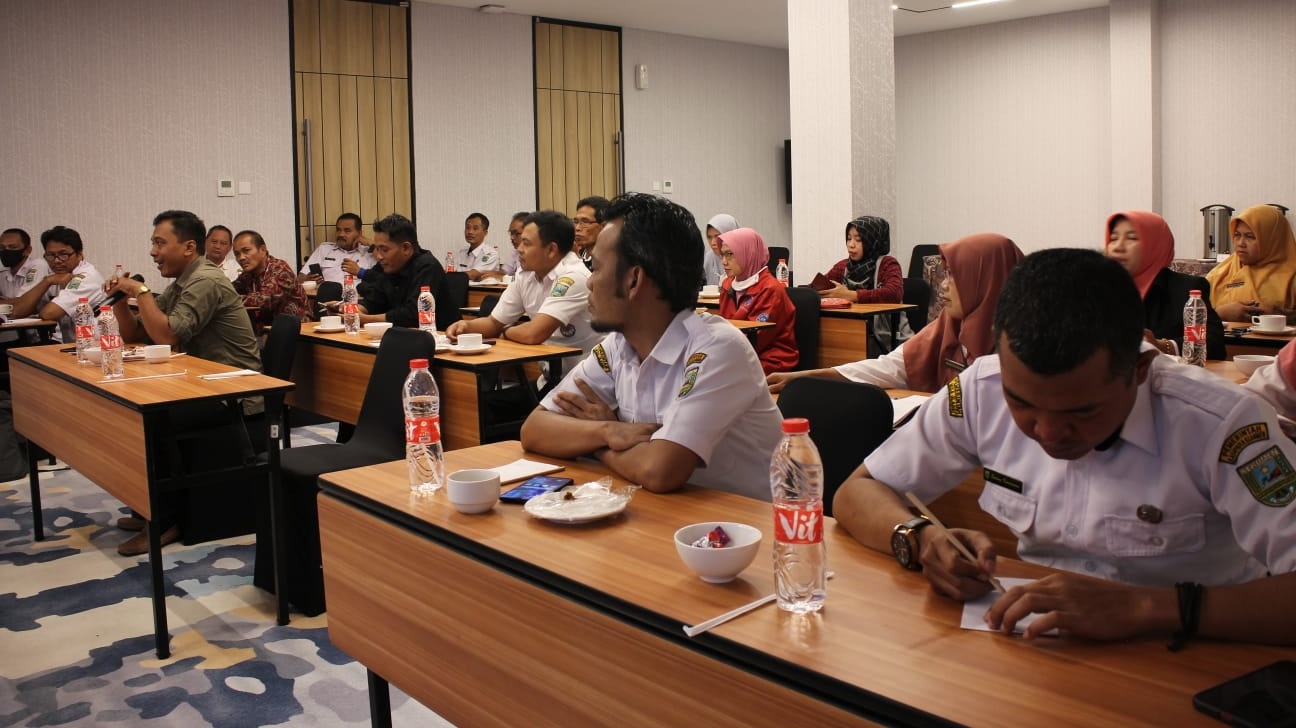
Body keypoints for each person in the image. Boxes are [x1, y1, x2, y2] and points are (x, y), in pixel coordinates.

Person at [832, 248, 1296, 646]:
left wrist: (1145, 607)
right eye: (1022, 404)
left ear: (1138, 370)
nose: (1049, 433)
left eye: (1082, 412)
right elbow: (856, 492)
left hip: (1195, 658)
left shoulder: (1223, 425)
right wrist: (921, 537)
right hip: (1033, 652)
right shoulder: (980, 390)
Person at [520, 193, 783, 500]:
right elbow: (534, 430)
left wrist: (598, 441)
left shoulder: (717, 349)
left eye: (598, 268)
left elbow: (659, 471)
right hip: (669, 513)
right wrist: (609, 431)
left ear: (634, 280)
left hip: (752, 524)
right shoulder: (618, 345)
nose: (589, 282)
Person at [101, 210, 263, 556]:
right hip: (200, 382)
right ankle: (149, 508)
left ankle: (167, 519)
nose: (153, 252)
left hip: (233, 390)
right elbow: (139, 334)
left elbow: (168, 335)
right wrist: (121, 304)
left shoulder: (205, 280)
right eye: (153, 243)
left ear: (189, 247)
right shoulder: (182, 282)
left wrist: (141, 290)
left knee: (150, 417)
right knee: (128, 410)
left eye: (160, 243)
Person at [768, 233, 1022, 394]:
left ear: (986, 281)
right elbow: (888, 367)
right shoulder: (948, 326)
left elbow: (891, 292)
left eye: (955, 276)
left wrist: (855, 295)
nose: (943, 285)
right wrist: (808, 377)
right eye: (945, 275)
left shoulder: (1022, 347)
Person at [445, 210, 601, 382]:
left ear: (551, 249)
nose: (519, 249)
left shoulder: (573, 276)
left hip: (588, 381)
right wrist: (466, 326)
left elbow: (533, 333)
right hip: (551, 378)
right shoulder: (526, 273)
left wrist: (504, 331)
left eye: (526, 243)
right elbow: (493, 323)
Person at [1104, 210, 1225, 359]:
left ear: (1155, 245)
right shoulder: (1100, 289)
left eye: (1132, 238)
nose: (1118, 247)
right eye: (1113, 238)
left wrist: (1164, 346)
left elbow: (1213, 343)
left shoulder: (1185, 289)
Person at [819, 215, 911, 347]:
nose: (851, 245)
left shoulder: (887, 264)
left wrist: (850, 295)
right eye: (849, 239)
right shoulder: (843, 266)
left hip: (886, 340)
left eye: (858, 240)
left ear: (872, 241)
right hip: (849, 335)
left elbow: (893, 293)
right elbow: (821, 286)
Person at [716, 227, 798, 374]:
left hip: (770, 361)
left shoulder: (770, 289)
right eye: (722, 255)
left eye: (730, 254)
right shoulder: (728, 285)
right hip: (738, 356)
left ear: (749, 253)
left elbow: (755, 339)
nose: (724, 262)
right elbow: (722, 327)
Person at [358, 213, 460, 331]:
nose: (379, 256)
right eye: (377, 249)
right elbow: (375, 300)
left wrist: (366, 319)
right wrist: (356, 311)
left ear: (406, 248)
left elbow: (413, 314)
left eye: (384, 250)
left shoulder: (428, 267)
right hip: (401, 334)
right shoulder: (387, 265)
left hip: (440, 335)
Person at [8, 226, 106, 342]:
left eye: (63, 254)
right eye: (50, 255)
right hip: (73, 344)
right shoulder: (54, 276)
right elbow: (18, 311)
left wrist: (49, 281)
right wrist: (47, 281)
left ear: (79, 255)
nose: (56, 261)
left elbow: (49, 313)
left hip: (96, 345)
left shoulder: (86, 277)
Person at [1205, 204, 1296, 323]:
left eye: (1250, 236)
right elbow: (1191, 316)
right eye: (1237, 235)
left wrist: (1281, 316)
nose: (1240, 243)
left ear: (1272, 240)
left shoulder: (1292, 276)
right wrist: (1220, 313)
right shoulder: (1219, 274)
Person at [231, 230, 310, 329]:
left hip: (296, 330)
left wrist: (227, 299)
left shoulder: (280, 269)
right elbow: (228, 290)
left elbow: (264, 300)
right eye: (237, 254)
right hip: (266, 329)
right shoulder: (248, 274)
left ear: (263, 250)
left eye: (246, 250)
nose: (241, 257)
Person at [1, 227, 50, 347]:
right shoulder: (3, 274)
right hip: (16, 335)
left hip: (44, 336)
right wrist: (15, 302)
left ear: (27, 250)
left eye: (12, 247)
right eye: (1, 248)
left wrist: (12, 303)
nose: (5, 251)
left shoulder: (37, 266)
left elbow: (21, 309)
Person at [299, 212, 376, 286]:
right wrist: (308, 279)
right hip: (327, 294)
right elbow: (300, 279)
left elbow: (381, 280)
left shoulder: (371, 252)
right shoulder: (324, 249)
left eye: (347, 231)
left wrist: (372, 244)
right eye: (338, 230)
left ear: (359, 233)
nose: (341, 234)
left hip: (358, 295)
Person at [449, 212, 501, 281]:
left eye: (475, 228)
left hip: (479, 288)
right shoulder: (461, 252)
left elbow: (473, 275)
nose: (470, 232)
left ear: (485, 233)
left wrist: (447, 276)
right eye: (467, 228)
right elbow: (451, 271)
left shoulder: (491, 254)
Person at [572, 195, 609, 269]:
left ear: (603, 226)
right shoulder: (575, 255)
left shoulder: (612, 260)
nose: (577, 228)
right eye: (576, 222)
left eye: (585, 222)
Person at [703, 213, 739, 287]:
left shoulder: (743, 258)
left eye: (717, 236)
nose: (713, 243)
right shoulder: (708, 258)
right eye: (709, 237)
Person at [501, 211, 528, 276]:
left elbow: (524, 278)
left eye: (516, 233)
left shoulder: (538, 254)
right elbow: (504, 273)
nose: (512, 238)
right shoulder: (515, 251)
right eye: (511, 233)